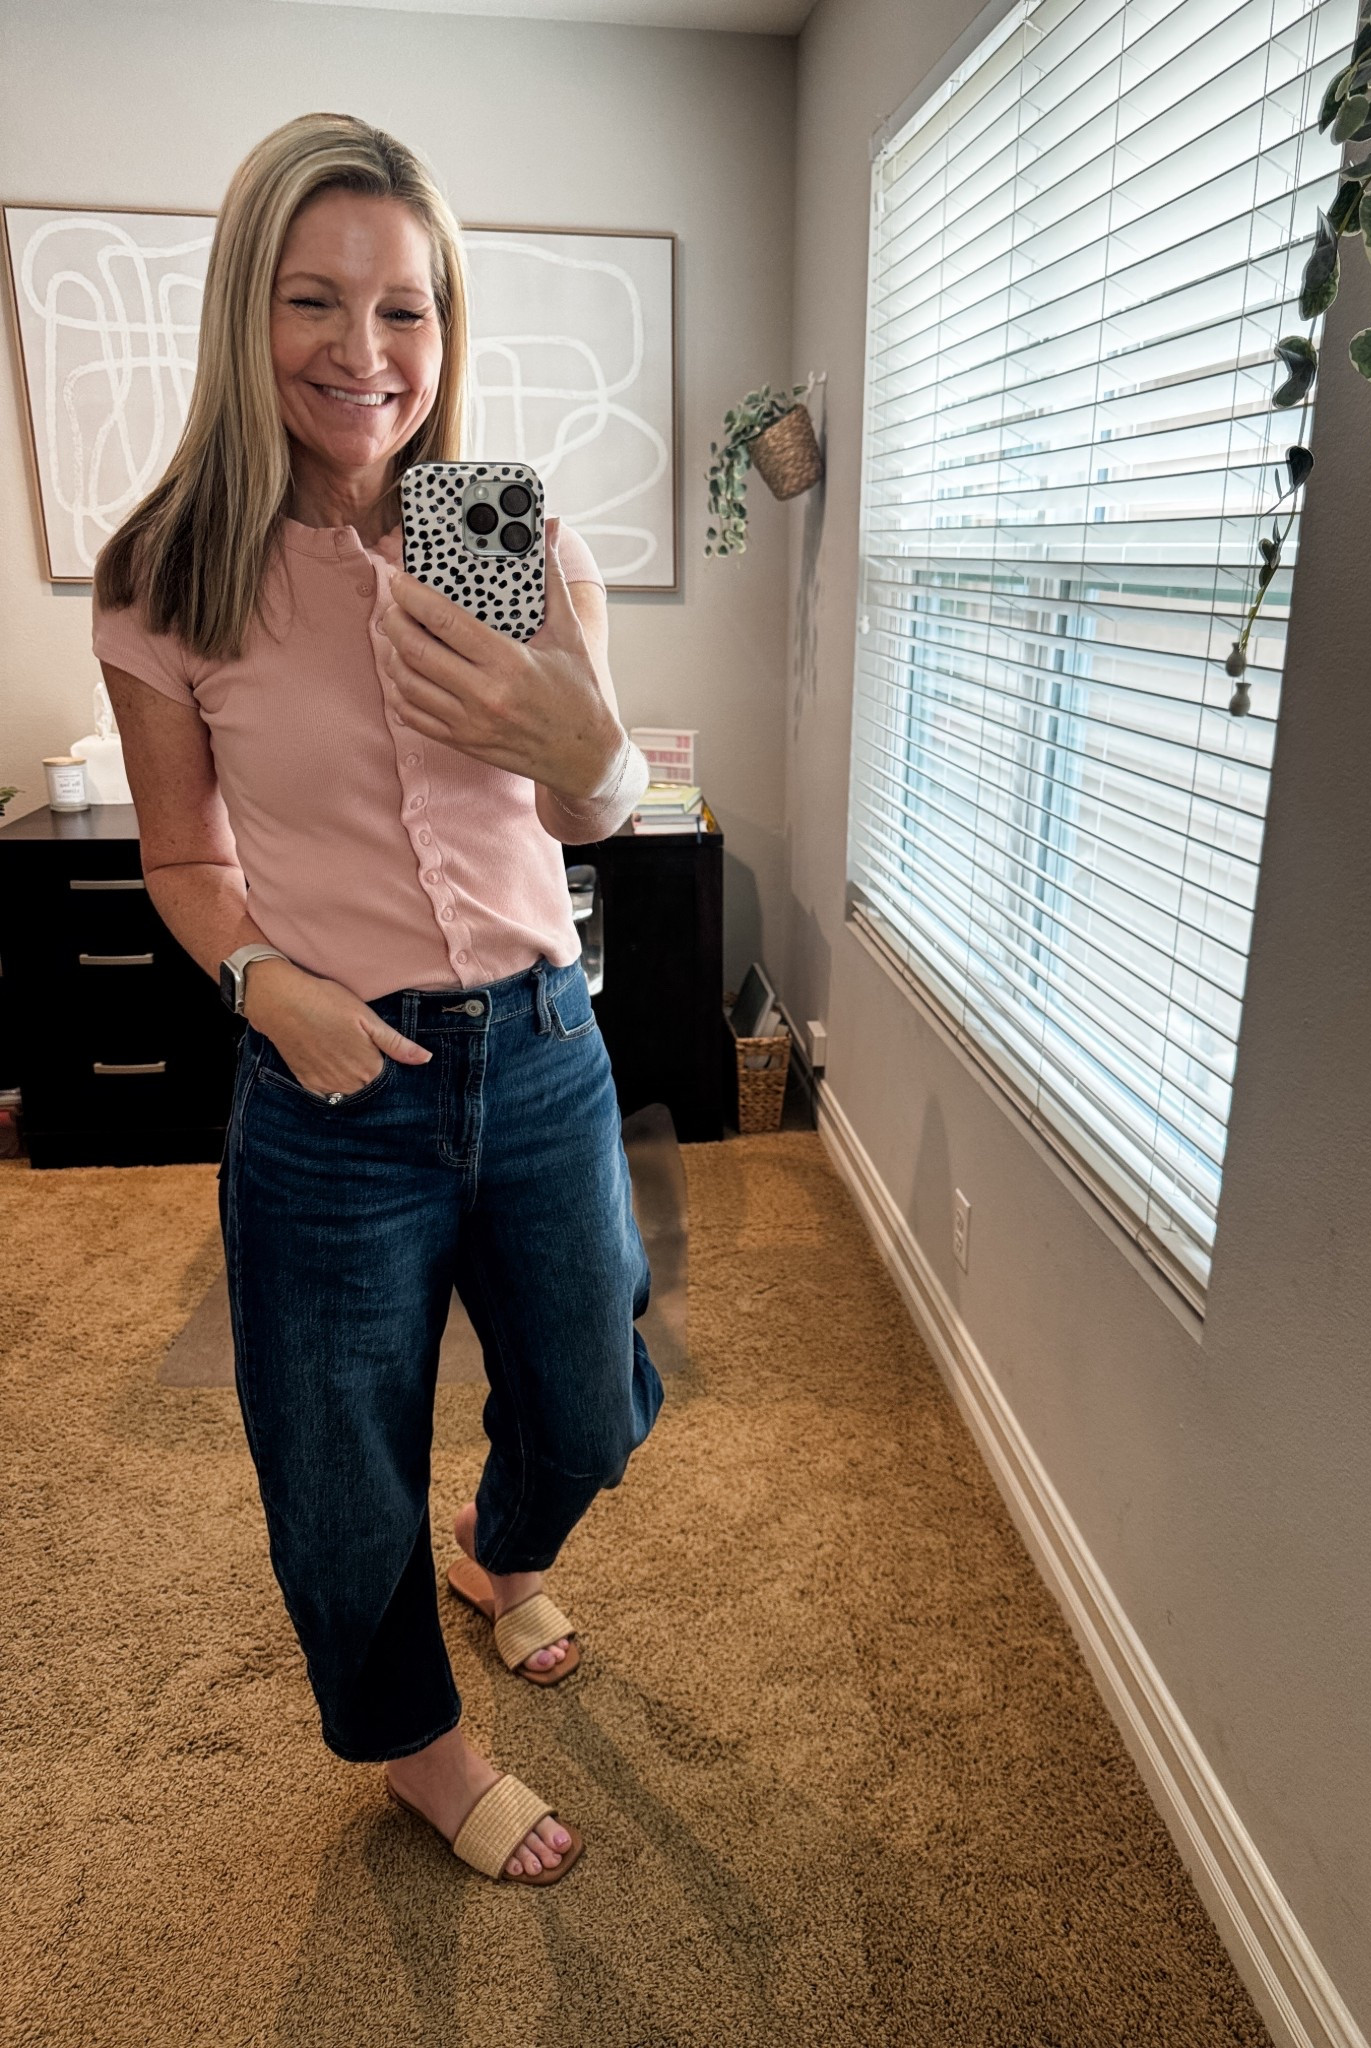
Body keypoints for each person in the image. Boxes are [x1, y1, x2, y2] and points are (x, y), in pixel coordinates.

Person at [92, 111, 664, 1888]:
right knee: (336, 1450)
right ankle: (418, 1741)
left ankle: (505, 1545)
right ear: (243, 315)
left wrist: (598, 755)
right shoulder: (167, 575)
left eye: (404, 310)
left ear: (447, 329)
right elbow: (184, 867)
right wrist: (271, 989)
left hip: (548, 1047)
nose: (364, 353)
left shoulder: (504, 537)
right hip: (338, 1083)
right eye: (314, 301)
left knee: (591, 1402)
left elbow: (593, 802)